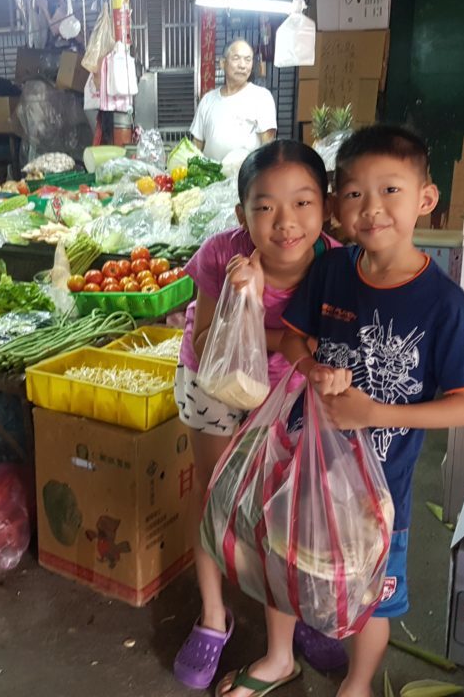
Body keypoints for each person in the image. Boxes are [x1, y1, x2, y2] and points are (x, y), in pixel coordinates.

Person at [209, 125, 464, 697]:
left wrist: (375, 413)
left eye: (391, 190)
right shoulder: (334, 271)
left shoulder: (444, 304)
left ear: (426, 200)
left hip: (382, 493)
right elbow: (292, 341)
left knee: (373, 594)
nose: (373, 208)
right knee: (287, 563)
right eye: (356, 193)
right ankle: (279, 657)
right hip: (305, 466)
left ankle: (357, 683)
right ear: (338, 205)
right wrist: (312, 369)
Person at [172, 140, 342, 691]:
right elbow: (203, 336)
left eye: (302, 202)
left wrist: (290, 347)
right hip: (216, 387)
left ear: (326, 205)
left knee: (284, 514)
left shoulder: (338, 264)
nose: (285, 222)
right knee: (216, 499)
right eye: (265, 206)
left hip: (288, 400)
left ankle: (289, 623)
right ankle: (214, 616)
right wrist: (245, 301)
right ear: (243, 211)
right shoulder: (224, 256)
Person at [190, 40, 277, 163]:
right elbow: (196, 146)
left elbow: (268, 149)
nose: (242, 65)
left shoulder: (262, 97)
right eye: (236, 58)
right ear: (222, 63)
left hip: (245, 179)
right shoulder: (207, 100)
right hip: (210, 179)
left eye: (248, 59)